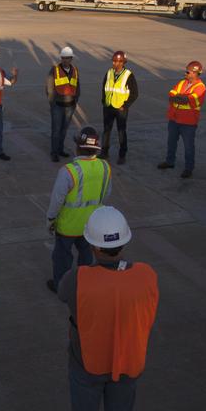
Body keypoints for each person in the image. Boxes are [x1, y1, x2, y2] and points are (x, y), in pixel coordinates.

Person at [52, 207, 159, 411]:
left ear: (92, 245)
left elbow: (63, 295)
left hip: (87, 362)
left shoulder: (78, 278)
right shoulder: (147, 274)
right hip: (128, 362)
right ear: (123, 243)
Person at [46, 126, 111, 293]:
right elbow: (106, 193)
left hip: (68, 226)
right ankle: (84, 284)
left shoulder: (68, 171)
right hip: (90, 224)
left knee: (62, 258)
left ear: (78, 148)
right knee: (86, 256)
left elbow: (57, 199)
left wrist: (51, 219)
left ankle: (62, 285)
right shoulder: (105, 167)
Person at [159, 60, 206, 177]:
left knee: (188, 146)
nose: (185, 74)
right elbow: (171, 94)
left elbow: (191, 100)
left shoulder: (201, 87)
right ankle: (170, 162)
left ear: (195, 73)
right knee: (171, 142)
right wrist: (181, 97)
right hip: (174, 119)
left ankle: (189, 168)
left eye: (188, 72)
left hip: (188, 122)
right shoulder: (182, 83)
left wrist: (180, 97)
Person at [100, 50, 138, 165]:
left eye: (118, 62)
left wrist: (125, 105)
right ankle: (104, 152)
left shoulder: (128, 75)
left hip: (120, 109)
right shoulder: (109, 72)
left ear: (123, 63)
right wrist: (104, 101)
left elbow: (134, 93)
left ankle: (122, 155)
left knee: (121, 131)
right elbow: (104, 87)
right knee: (106, 130)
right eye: (114, 61)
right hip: (108, 107)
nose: (115, 64)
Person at [46, 46, 80, 162]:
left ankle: (60, 149)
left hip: (70, 106)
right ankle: (54, 152)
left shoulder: (75, 70)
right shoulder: (54, 70)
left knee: (64, 130)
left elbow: (77, 87)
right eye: (64, 58)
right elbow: (49, 88)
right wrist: (52, 103)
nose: (66, 60)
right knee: (56, 130)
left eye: (68, 58)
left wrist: (75, 101)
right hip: (57, 106)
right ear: (61, 58)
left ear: (71, 59)